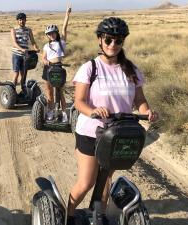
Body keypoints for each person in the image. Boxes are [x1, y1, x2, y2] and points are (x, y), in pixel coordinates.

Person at [67, 17, 158, 225]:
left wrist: (148, 111)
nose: (113, 45)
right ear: (100, 40)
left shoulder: (131, 69)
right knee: (87, 181)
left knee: (106, 178)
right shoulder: (90, 68)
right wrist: (93, 111)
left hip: (118, 134)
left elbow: (140, 100)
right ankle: (68, 215)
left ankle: (98, 216)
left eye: (118, 41)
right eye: (108, 40)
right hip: (91, 132)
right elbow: (79, 102)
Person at [41, 2, 71, 122]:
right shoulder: (46, 46)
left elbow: (64, 28)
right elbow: (43, 58)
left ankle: (64, 113)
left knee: (60, 92)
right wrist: (46, 61)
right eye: (49, 34)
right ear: (47, 36)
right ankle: (50, 111)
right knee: (49, 92)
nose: (51, 35)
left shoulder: (61, 42)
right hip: (48, 69)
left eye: (53, 33)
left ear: (56, 33)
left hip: (59, 68)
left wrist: (67, 15)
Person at [11, 12, 40, 94]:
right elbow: (14, 43)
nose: (22, 21)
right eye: (20, 20)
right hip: (16, 54)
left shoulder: (28, 30)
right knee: (16, 73)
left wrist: (36, 48)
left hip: (25, 56)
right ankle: (12, 90)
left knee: (23, 74)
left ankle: (23, 90)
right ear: (17, 21)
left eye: (23, 20)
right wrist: (22, 49)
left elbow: (33, 42)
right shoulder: (13, 30)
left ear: (25, 20)